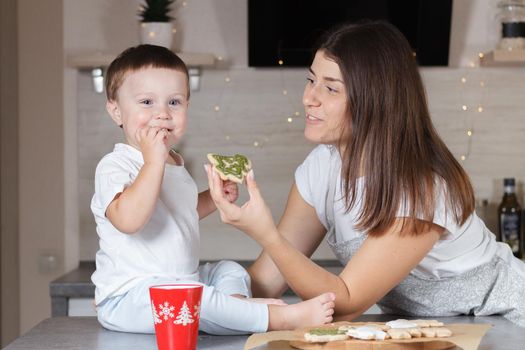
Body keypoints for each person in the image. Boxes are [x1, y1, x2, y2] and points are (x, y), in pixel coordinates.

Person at [205, 21, 525, 328]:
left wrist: (266, 234)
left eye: (330, 88)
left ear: (375, 101)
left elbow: (344, 304)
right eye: (311, 80)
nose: (308, 98)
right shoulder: (321, 169)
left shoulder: (421, 187)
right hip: (441, 328)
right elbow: (264, 284)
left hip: (506, 323)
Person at [90, 44, 335, 335]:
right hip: (131, 297)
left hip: (182, 283)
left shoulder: (173, 162)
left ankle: (236, 309)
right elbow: (128, 220)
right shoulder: (115, 165)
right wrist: (152, 164)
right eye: (146, 102)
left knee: (229, 270)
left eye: (174, 102)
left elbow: (180, 213)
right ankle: (274, 318)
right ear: (116, 111)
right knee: (194, 299)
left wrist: (212, 198)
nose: (162, 114)